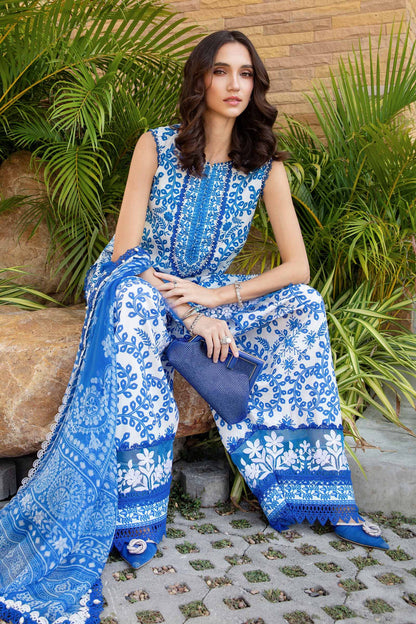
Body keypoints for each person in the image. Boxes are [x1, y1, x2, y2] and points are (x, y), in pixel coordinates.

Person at [0, 29, 388, 624]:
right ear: (200, 79)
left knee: (305, 304)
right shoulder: (156, 146)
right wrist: (192, 313)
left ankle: (314, 490)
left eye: (245, 74)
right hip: (137, 280)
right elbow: (126, 250)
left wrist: (216, 297)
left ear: (255, 85)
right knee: (133, 304)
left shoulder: (265, 167)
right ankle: (134, 511)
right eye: (221, 71)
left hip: (207, 291)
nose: (235, 85)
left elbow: (297, 267)